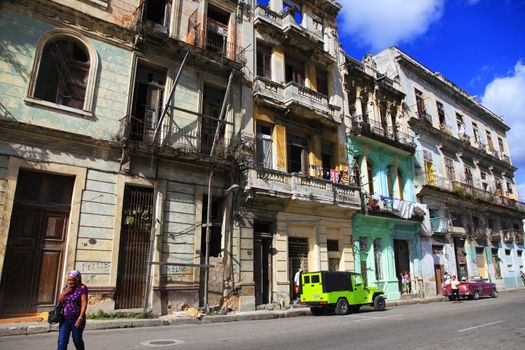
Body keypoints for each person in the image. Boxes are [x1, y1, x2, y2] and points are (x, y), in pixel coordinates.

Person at [57, 270, 88, 350]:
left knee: (77, 340)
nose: (70, 282)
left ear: (77, 279)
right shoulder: (66, 287)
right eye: (69, 280)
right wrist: (65, 292)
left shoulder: (82, 288)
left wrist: (80, 318)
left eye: (72, 280)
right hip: (65, 319)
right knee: (61, 342)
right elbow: (59, 300)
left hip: (77, 319)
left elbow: (84, 304)